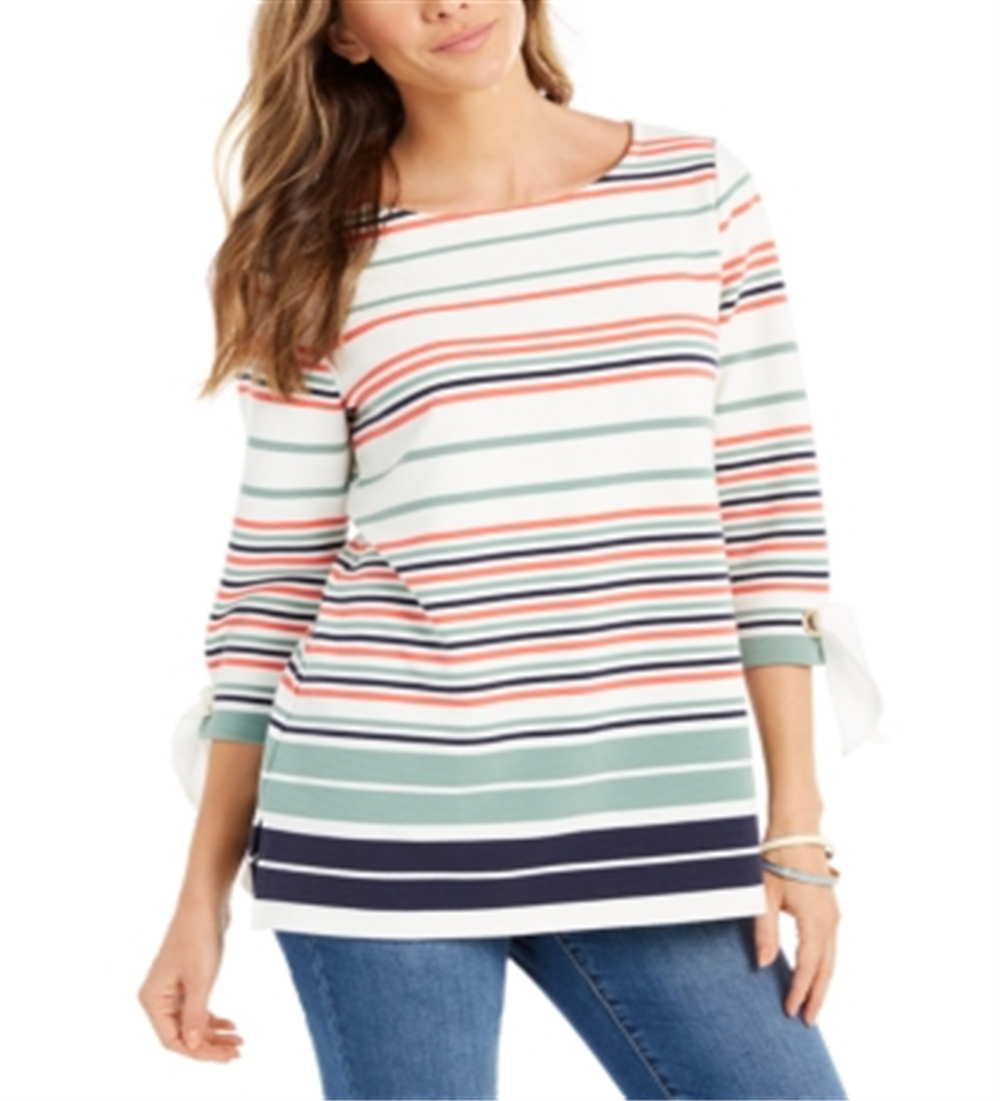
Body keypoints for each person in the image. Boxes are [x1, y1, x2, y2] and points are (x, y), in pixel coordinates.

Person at [138, 1, 851, 1096]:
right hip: (375, 815)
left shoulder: (696, 189)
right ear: (343, 35)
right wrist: (202, 898)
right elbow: (274, 578)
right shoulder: (308, 248)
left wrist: (795, 823)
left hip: (650, 819)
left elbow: (767, 518)